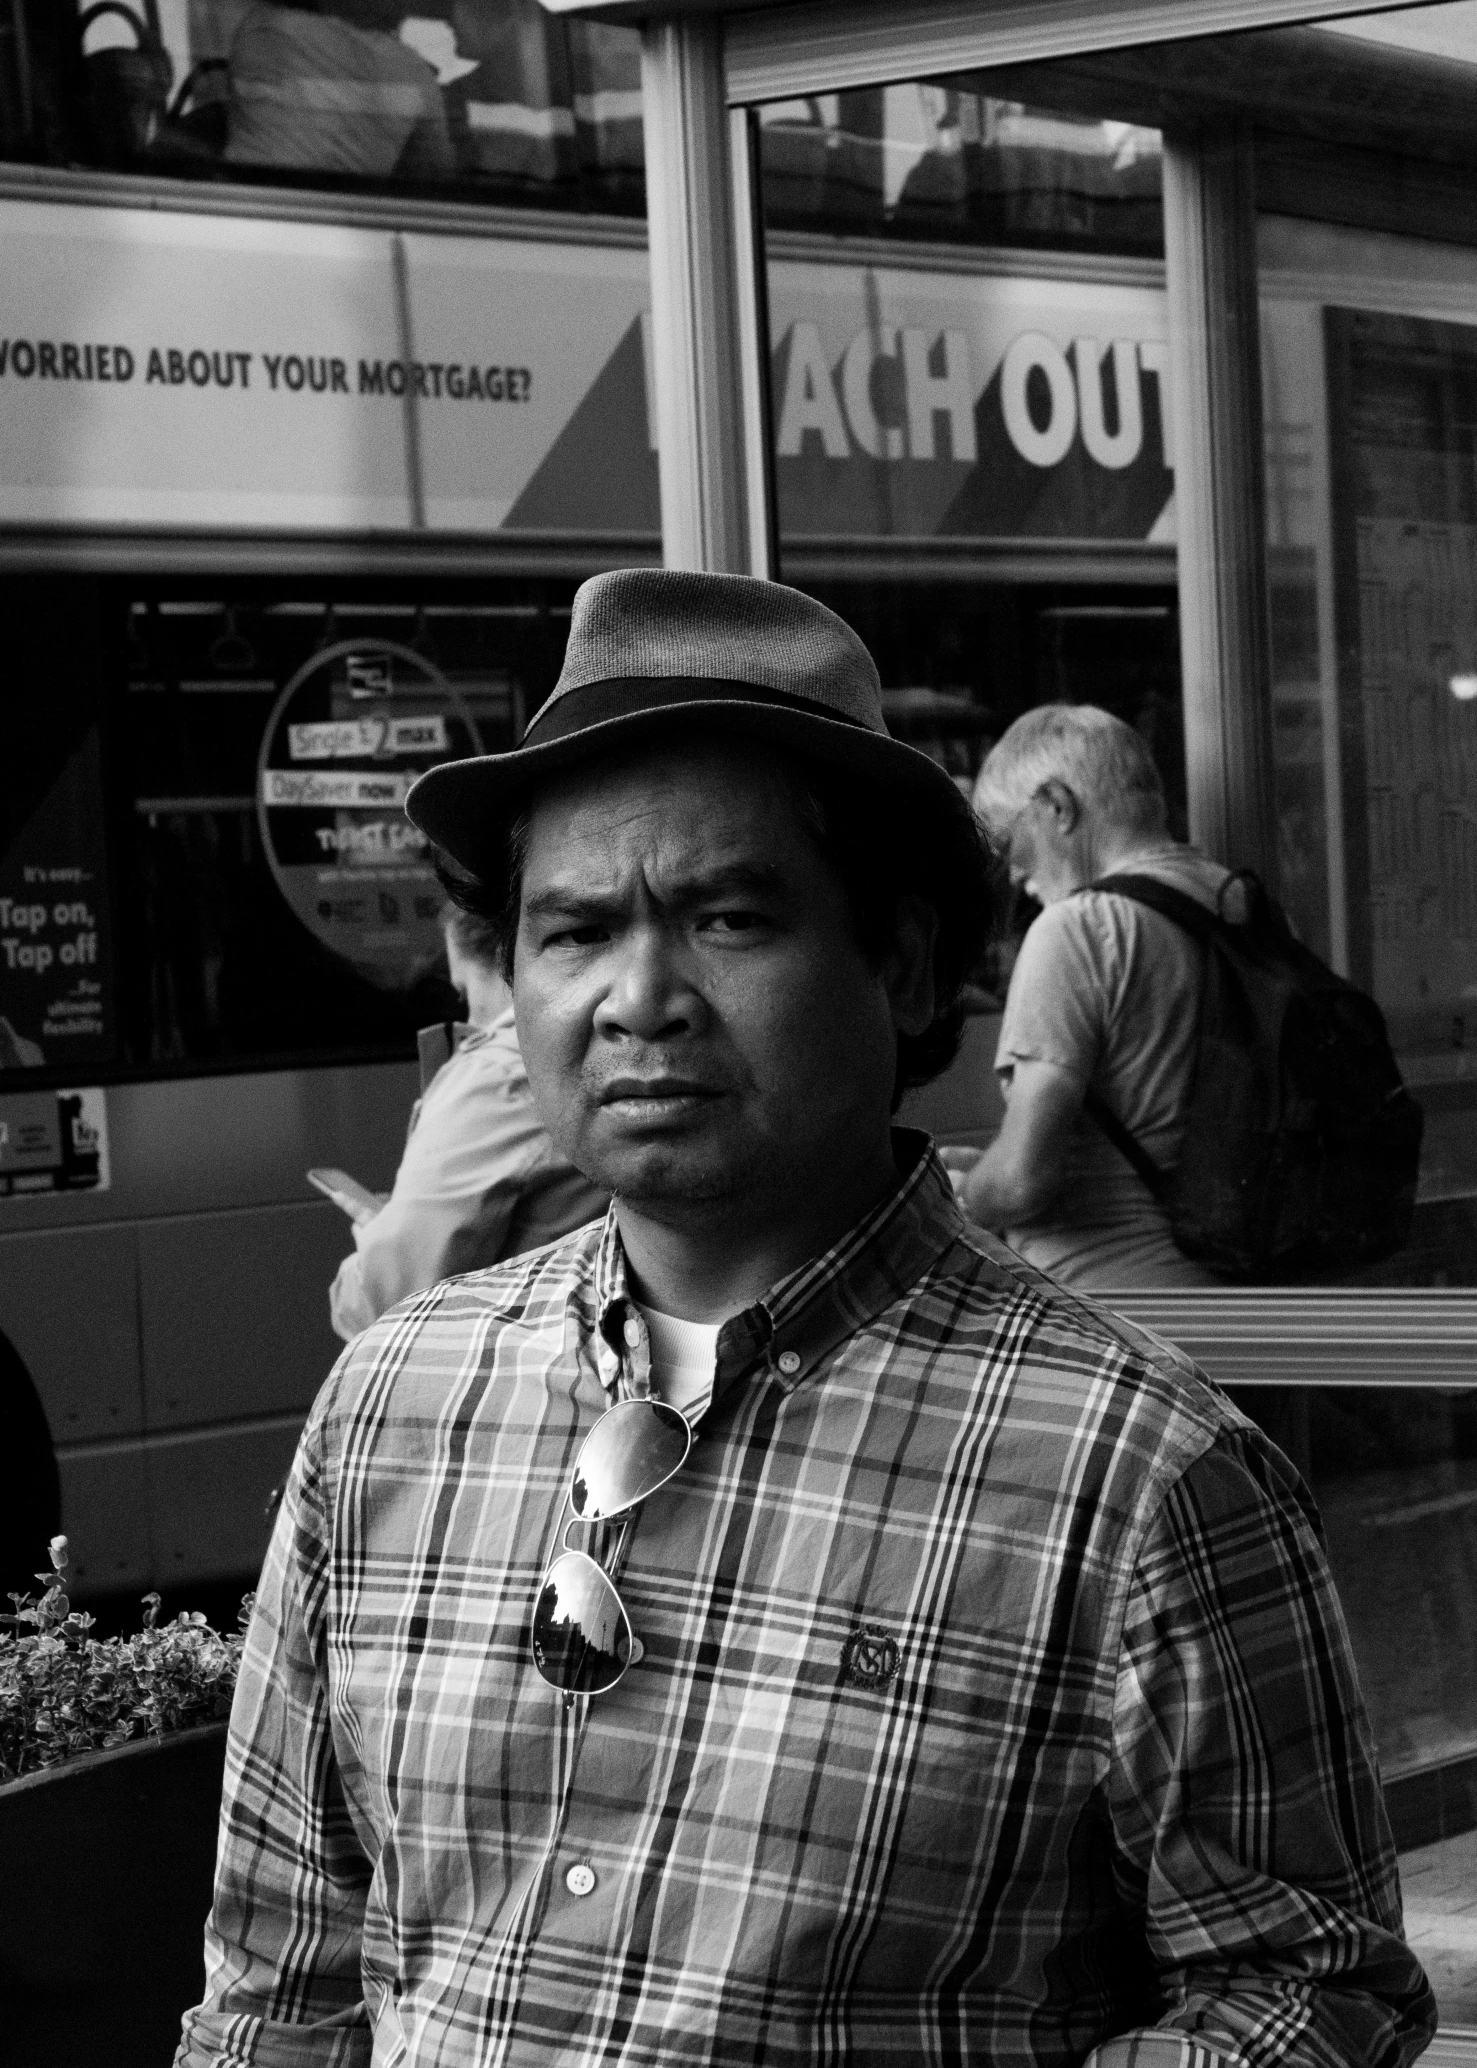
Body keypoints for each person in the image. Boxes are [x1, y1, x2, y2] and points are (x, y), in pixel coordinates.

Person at [177, 571, 1432, 2068]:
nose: (640, 997)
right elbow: (277, 1981)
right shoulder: (391, 1403)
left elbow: (1309, 1988)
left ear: (899, 961)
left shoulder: (1142, 1473)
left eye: (726, 914)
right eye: (573, 931)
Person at [947, 704, 1229, 1289]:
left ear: (1056, 807)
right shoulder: (1239, 905)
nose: (1015, 872)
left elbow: (1024, 1181)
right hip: (1243, 1289)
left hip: (1116, 1309)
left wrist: (963, 1194)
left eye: (1006, 837)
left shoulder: (1077, 929)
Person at [327, 905, 604, 1339]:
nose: (470, 1018)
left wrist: (379, 1240)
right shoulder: (603, 1044)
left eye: (465, 990)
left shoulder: (498, 1074)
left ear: (503, 958)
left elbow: (386, 1303)